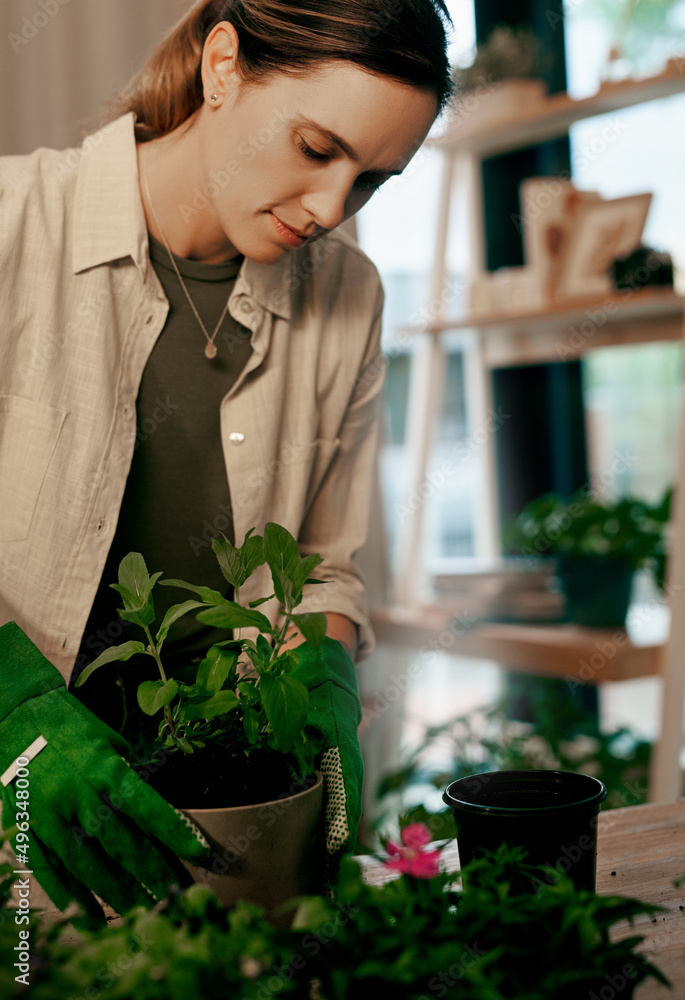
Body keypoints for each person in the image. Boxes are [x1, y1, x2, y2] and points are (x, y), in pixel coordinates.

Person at [0, 0, 452, 926]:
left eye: (371, 180)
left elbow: (319, 563)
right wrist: (9, 713)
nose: (332, 210)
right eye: (317, 148)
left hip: (227, 833)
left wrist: (319, 680)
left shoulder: (347, 296)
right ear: (221, 66)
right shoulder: (13, 229)